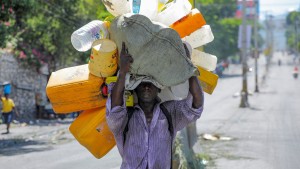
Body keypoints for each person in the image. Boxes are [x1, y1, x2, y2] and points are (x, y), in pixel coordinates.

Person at [106, 42, 204, 169]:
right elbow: (115, 107)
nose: (147, 87)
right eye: (142, 83)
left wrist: (188, 64)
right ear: (135, 89)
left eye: (151, 84)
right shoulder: (125, 118)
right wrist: (123, 72)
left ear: (158, 89)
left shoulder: (170, 113)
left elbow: (196, 105)